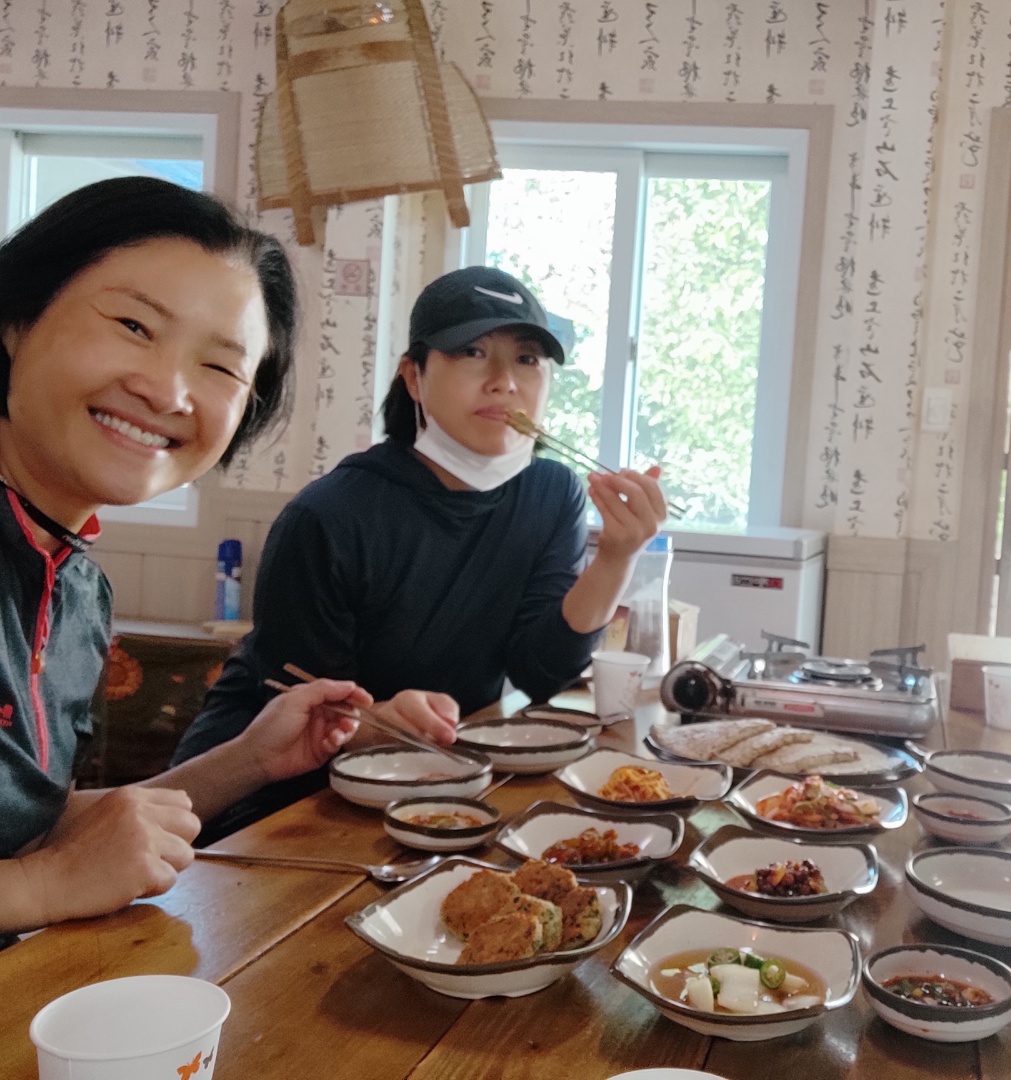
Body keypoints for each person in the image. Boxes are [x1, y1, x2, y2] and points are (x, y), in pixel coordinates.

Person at [172, 266, 667, 834]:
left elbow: (541, 672)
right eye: (472, 352)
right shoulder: (328, 517)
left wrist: (616, 558)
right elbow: (298, 716)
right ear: (413, 376)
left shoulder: (551, 494)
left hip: (427, 786)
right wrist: (374, 721)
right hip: (266, 805)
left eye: (527, 359)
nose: (504, 381)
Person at [0, 177, 370, 935]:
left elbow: (27, 827)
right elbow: (39, 866)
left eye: (220, 368)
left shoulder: (76, 590)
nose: (168, 392)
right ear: (16, 320)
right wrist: (42, 886)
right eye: (134, 325)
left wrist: (250, 759)